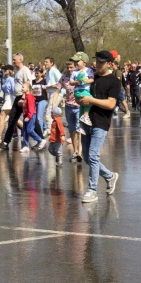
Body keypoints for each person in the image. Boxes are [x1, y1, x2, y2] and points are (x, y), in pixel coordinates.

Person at [77, 51, 120, 203]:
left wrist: (91, 100)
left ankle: (92, 190)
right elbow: (82, 92)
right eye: (97, 61)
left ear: (109, 63)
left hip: (101, 122)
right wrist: (81, 100)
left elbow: (111, 104)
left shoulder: (114, 81)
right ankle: (109, 176)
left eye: (101, 62)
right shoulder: (92, 78)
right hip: (85, 120)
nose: (98, 64)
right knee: (88, 158)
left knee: (94, 156)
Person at [0, 53, 34, 150]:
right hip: (17, 97)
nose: (13, 61)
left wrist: (24, 97)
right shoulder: (17, 71)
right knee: (12, 120)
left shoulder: (25, 70)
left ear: (20, 60)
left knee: (30, 118)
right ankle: (5, 143)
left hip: (24, 97)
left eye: (14, 59)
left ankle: (40, 138)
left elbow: (28, 83)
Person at [53, 61, 83, 163]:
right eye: (67, 67)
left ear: (75, 67)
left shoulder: (80, 76)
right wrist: (53, 105)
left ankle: (79, 152)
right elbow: (57, 91)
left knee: (79, 130)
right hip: (69, 106)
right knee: (72, 130)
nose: (69, 69)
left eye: (71, 67)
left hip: (79, 106)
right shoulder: (64, 77)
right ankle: (75, 152)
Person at [19, 82, 46, 153]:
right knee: (24, 131)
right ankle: (26, 146)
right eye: (22, 87)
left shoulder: (30, 97)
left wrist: (29, 116)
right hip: (26, 115)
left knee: (29, 130)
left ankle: (40, 140)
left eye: (23, 87)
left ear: (28, 89)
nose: (22, 88)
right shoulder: (26, 96)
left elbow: (31, 108)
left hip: (30, 115)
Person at [70, 52, 95, 129]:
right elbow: (71, 82)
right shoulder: (74, 72)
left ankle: (81, 125)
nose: (75, 63)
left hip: (86, 90)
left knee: (83, 106)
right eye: (74, 61)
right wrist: (76, 82)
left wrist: (84, 81)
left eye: (77, 61)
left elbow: (92, 79)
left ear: (84, 62)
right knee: (91, 100)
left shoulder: (89, 70)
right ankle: (86, 115)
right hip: (78, 91)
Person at [43, 57, 63, 131]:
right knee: (54, 112)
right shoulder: (48, 71)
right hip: (51, 93)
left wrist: (48, 86)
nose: (45, 63)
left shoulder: (54, 71)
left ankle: (50, 131)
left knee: (49, 112)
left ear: (51, 63)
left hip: (57, 93)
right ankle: (56, 129)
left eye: (46, 62)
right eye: (44, 62)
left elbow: (61, 82)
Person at [32, 68, 49, 135]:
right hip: (35, 100)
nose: (36, 74)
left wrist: (48, 98)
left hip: (42, 100)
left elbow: (47, 90)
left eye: (38, 73)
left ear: (41, 74)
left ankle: (40, 133)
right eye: (35, 73)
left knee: (39, 117)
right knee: (36, 118)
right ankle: (45, 127)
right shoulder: (33, 81)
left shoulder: (45, 81)